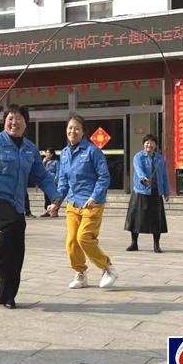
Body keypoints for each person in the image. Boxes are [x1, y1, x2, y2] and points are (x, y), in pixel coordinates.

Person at [0, 104, 61, 309]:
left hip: (16, 202)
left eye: (19, 118)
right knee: (15, 225)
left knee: (16, 249)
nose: (14, 122)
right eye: (10, 118)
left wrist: (55, 197)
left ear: (25, 123)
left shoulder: (30, 149)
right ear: (4, 121)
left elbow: (42, 176)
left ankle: (7, 296)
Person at [48, 115, 117, 289]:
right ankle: (80, 274)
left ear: (83, 131)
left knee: (84, 238)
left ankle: (108, 268)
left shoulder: (93, 151)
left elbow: (104, 177)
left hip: (92, 203)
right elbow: (63, 181)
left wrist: (94, 197)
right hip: (73, 204)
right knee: (71, 242)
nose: (73, 131)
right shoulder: (64, 153)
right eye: (70, 128)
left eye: (77, 128)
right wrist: (56, 202)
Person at [124, 134, 170, 253]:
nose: (149, 145)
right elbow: (138, 169)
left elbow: (164, 175)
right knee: (136, 219)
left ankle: (156, 245)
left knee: (157, 219)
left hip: (156, 191)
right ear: (143, 144)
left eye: (151, 142)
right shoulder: (138, 156)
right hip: (141, 191)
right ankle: (134, 243)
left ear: (155, 145)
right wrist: (143, 178)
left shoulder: (160, 159)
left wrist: (166, 191)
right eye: (147, 142)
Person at [40, 148, 59, 217]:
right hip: (46, 181)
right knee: (46, 197)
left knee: (54, 197)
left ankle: (55, 211)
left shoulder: (56, 162)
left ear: (52, 154)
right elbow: (40, 170)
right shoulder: (44, 161)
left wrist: (55, 181)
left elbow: (58, 172)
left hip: (53, 181)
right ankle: (48, 211)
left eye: (48, 152)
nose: (46, 154)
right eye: (46, 152)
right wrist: (43, 162)